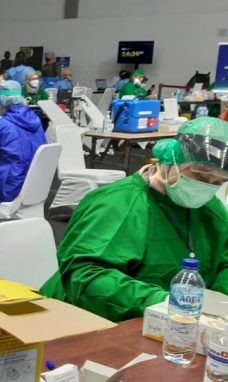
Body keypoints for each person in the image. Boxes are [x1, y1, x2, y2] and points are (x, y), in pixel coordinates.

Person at [41, 118, 228, 321]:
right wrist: (158, 301)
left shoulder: (210, 210)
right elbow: (84, 275)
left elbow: (224, 263)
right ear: (170, 157)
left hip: (171, 322)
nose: (206, 187)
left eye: (218, 182)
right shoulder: (116, 203)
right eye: (201, 176)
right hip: (83, 317)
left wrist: (219, 303)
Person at [0, 81, 46, 218]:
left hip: (8, 186)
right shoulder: (36, 121)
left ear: (0, 101)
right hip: (32, 184)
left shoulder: (3, 125)